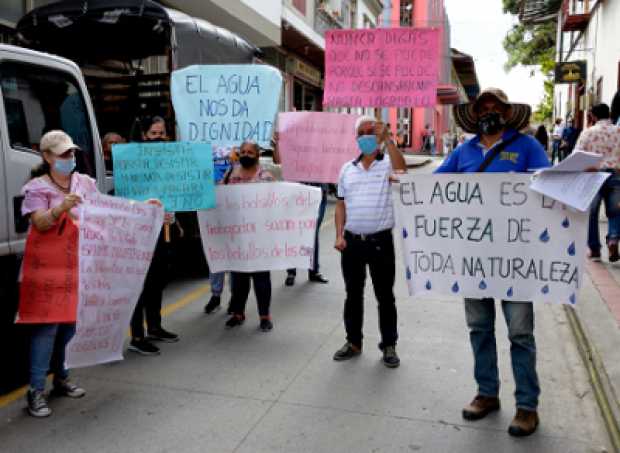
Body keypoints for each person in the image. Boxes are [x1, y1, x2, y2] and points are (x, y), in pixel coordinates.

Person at [436, 88, 550, 437]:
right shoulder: (464, 151)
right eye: (483, 107)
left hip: (516, 256)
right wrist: (401, 181)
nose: (489, 111)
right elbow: (433, 188)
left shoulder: (527, 146)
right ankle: (487, 393)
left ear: (505, 112)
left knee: (520, 332)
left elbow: (550, 186)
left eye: (495, 107)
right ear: (475, 114)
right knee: (479, 329)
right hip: (475, 257)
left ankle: (527, 407)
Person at [20, 130, 93, 417]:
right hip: (47, 271)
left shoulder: (84, 183)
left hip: (77, 266)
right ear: (47, 156)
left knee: (69, 327)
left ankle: (61, 377)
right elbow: (38, 223)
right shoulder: (37, 188)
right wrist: (60, 208)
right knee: (47, 329)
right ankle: (35, 390)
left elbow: (106, 212)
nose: (69, 158)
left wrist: (145, 209)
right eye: (63, 154)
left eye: (71, 153)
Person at [333, 115, 407, 369]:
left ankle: (389, 344)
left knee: (385, 296)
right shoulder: (346, 169)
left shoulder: (387, 164)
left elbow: (402, 171)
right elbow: (340, 204)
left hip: (380, 243)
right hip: (352, 243)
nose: (367, 136)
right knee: (352, 295)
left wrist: (388, 141)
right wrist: (339, 234)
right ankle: (353, 342)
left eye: (371, 131)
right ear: (356, 138)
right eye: (362, 132)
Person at [128, 116, 179, 355]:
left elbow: (173, 193)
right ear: (144, 136)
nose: (159, 138)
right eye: (154, 134)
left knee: (157, 281)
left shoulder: (169, 162)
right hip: (137, 234)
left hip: (161, 232)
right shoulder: (132, 162)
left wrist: (171, 215)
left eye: (162, 133)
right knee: (140, 282)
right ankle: (137, 336)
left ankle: (155, 327)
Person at [223, 141, 276, 331]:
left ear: (257, 155)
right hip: (237, 238)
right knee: (238, 280)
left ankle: (264, 316)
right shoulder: (231, 175)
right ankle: (238, 313)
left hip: (259, 238)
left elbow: (274, 205)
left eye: (250, 152)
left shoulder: (266, 177)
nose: (246, 154)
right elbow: (221, 198)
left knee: (261, 280)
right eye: (242, 151)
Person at [270, 132, 329, 286]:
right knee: (294, 233)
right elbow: (277, 160)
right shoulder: (293, 149)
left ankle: (313, 270)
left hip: (317, 194)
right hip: (296, 196)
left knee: (313, 233)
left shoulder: (321, 149)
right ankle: (291, 272)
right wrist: (278, 143)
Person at [576, 103, 620, 262]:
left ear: (593, 116)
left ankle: (594, 249)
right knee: (615, 210)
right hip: (615, 173)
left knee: (592, 212)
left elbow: (578, 154)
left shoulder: (588, 132)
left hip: (593, 175)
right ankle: (613, 239)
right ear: (609, 114)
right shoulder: (618, 130)